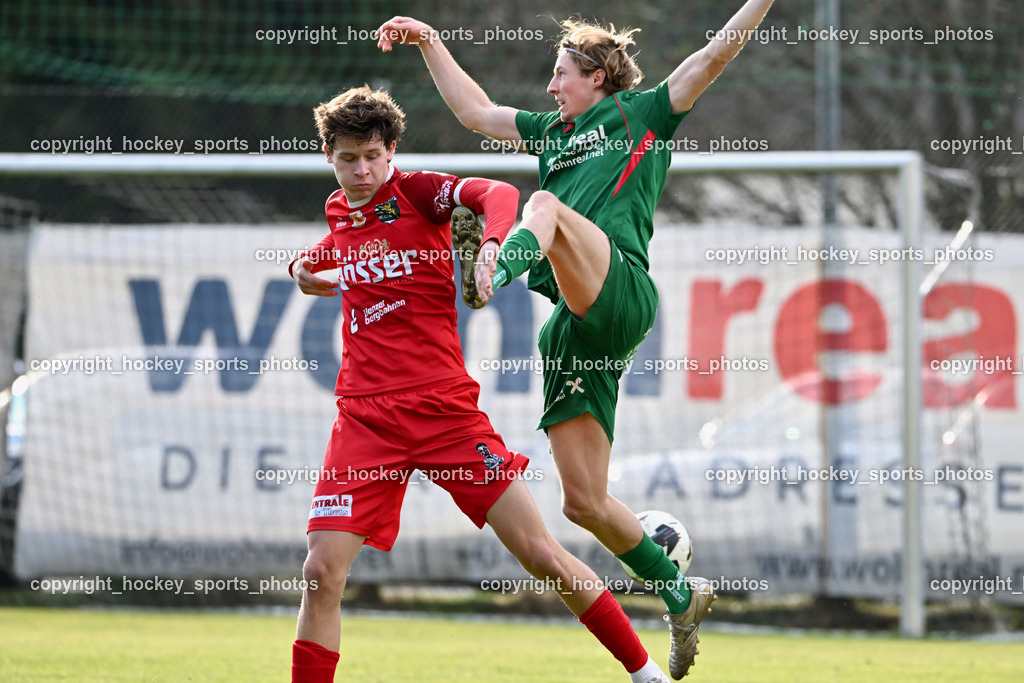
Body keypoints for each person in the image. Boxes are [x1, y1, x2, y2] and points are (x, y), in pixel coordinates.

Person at [378, 3, 775, 678]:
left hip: (620, 288)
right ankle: (679, 592)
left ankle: (493, 265)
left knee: (545, 209)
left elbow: (713, 57)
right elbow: (476, 112)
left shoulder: (640, 113)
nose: (550, 87)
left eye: (560, 74)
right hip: (573, 325)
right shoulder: (551, 134)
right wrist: (430, 41)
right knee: (582, 501)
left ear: (597, 76)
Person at [288, 85, 674, 683]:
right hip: (364, 418)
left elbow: (498, 193)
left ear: (391, 151)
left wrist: (491, 245)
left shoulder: (418, 193)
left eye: (372, 155)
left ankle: (643, 672)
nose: (361, 170)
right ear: (330, 159)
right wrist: (302, 266)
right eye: (347, 158)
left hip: (443, 411)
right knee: (320, 573)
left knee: (541, 554)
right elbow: (338, 243)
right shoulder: (341, 211)